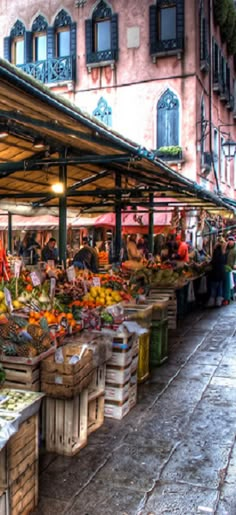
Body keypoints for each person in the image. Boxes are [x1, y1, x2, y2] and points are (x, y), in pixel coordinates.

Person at [207, 238, 226, 307]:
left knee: (213, 288)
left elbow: (214, 261)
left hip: (215, 272)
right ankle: (218, 302)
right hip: (221, 272)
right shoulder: (223, 252)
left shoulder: (216, 251)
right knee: (220, 287)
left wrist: (209, 262)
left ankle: (211, 302)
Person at [223, 235, 236, 304]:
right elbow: (223, 254)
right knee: (229, 283)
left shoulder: (235, 249)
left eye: (231, 241)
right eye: (229, 241)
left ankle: (232, 295)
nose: (230, 242)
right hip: (226, 267)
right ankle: (230, 295)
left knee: (232, 282)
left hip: (233, 268)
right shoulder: (226, 248)